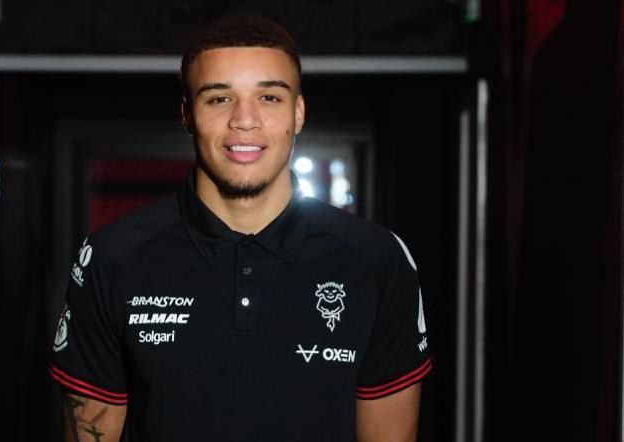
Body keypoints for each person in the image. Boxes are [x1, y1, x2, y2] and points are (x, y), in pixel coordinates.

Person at [49, 14, 432, 442]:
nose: (244, 120)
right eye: (219, 98)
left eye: (269, 97)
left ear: (298, 113)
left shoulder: (377, 260)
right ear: (187, 114)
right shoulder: (112, 258)